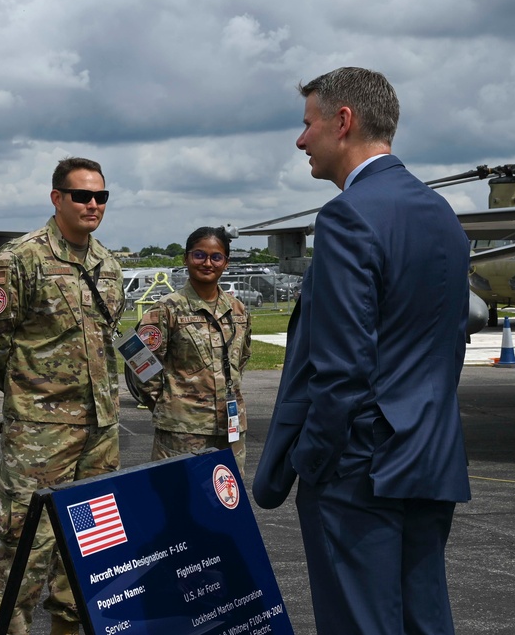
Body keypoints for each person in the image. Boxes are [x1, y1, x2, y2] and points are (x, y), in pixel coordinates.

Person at [252, 67, 471, 635]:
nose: (301, 140)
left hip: (360, 469)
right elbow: (448, 344)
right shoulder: (442, 217)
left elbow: (343, 368)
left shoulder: (349, 215)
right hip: (430, 455)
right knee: (425, 618)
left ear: (342, 122)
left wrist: (313, 462)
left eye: (307, 124)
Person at [0, 157, 125, 635]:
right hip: (41, 431)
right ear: (57, 198)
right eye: (82, 195)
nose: (92, 205)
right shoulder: (20, 259)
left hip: (100, 431)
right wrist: (27, 394)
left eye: (100, 196)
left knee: (91, 551)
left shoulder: (108, 264)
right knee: (27, 548)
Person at [132, 226, 252, 476]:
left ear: (226, 263)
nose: (208, 263)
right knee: (177, 504)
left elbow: (240, 360)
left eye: (216, 257)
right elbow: (140, 366)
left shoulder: (238, 310)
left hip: (231, 428)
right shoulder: (165, 309)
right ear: (186, 259)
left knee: (228, 503)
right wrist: (169, 405)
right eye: (199, 255)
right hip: (182, 431)